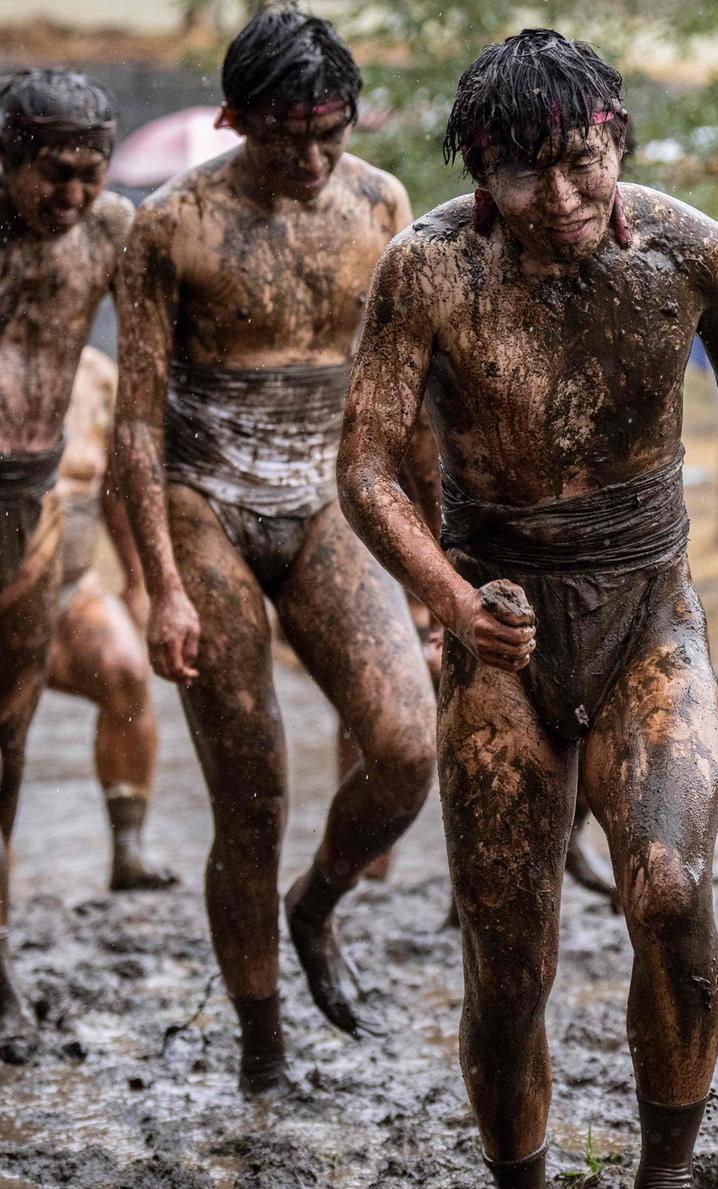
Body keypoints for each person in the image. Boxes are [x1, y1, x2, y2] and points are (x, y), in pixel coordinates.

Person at [339, 28, 718, 1189]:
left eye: (582, 163)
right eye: (526, 176)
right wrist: (446, 599)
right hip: (501, 626)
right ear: (480, 174)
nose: (561, 201)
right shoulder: (429, 269)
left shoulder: (687, 249)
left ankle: (669, 1186)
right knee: (509, 956)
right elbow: (364, 465)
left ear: (617, 139)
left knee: (668, 889)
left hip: (649, 610)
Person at [114, 7, 436, 1095]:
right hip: (205, 497)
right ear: (232, 120)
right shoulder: (170, 227)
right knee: (252, 796)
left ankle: (320, 905)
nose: (309, 159)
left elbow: (407, 396)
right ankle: (262, 1038)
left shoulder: (382, 202)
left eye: (329, 133)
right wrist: (161, 586)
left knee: (405, 746)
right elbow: (134, 426)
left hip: (324, 494)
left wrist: (431, 558)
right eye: (285, 136)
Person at [0, 68, 131, 1061]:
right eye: (53, 174)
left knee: (10, 738)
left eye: (90, 174)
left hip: (33, 503)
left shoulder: (110, 233)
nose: (72, 195)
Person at [47, 346, 173, 892]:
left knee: (124, 668)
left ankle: (128, 849)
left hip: (70, 593)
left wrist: (138, 579)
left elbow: (115, 487)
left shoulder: (94, 374)